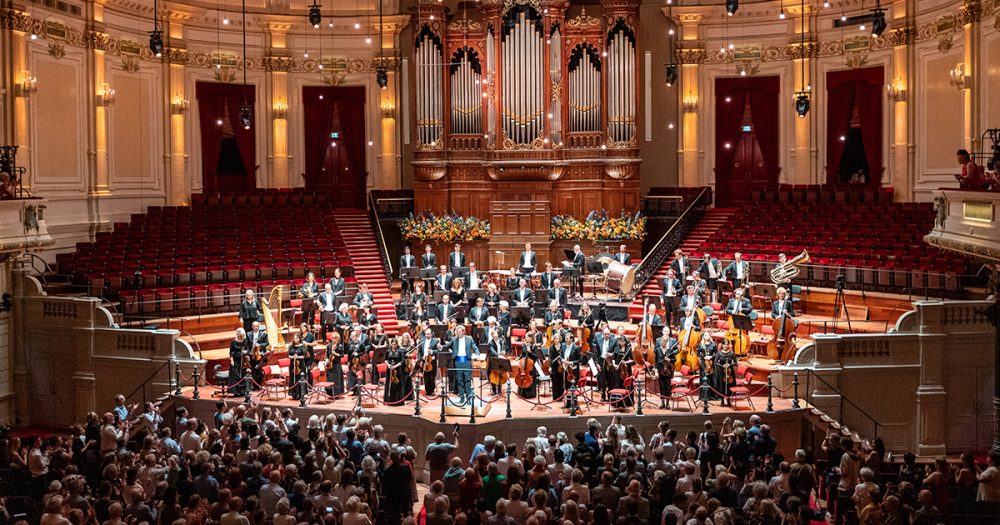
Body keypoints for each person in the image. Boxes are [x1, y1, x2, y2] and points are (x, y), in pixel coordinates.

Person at [448, 325, 479, 405]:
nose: (458, 333)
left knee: (467, 380)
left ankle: (468, 397)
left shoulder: (469, 338)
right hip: (458, 361)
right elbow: (447, 345)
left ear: (463, 331)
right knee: (459, 380)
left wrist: (477, 353)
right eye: (457, 332)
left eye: (459, 331)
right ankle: (462, 397)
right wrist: (441, 347)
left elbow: (474, 347)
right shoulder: (454, 339)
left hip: (466, 361)